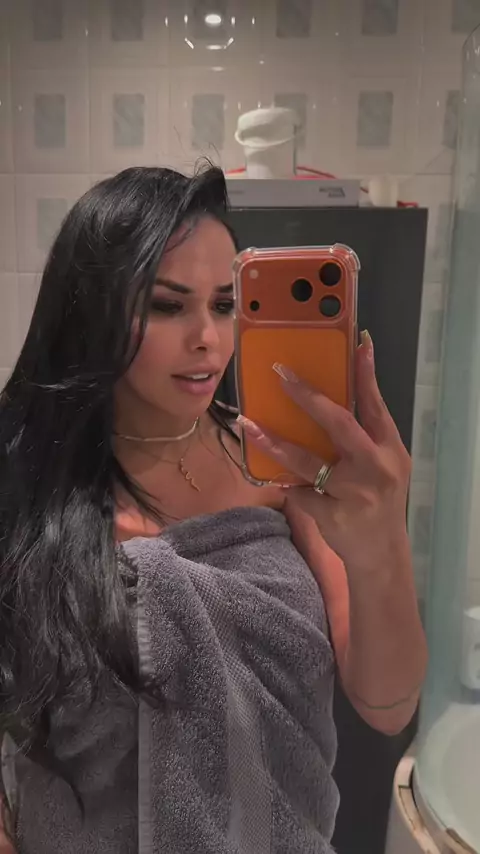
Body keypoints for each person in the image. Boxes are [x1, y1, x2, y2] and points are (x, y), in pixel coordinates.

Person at [0, 165, 427, 853]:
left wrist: (382, 548)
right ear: (91, 310)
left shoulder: (281, 471)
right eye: (168, 306)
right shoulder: (25, 482)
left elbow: (388, 705)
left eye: (227, 304)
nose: (208, 338)